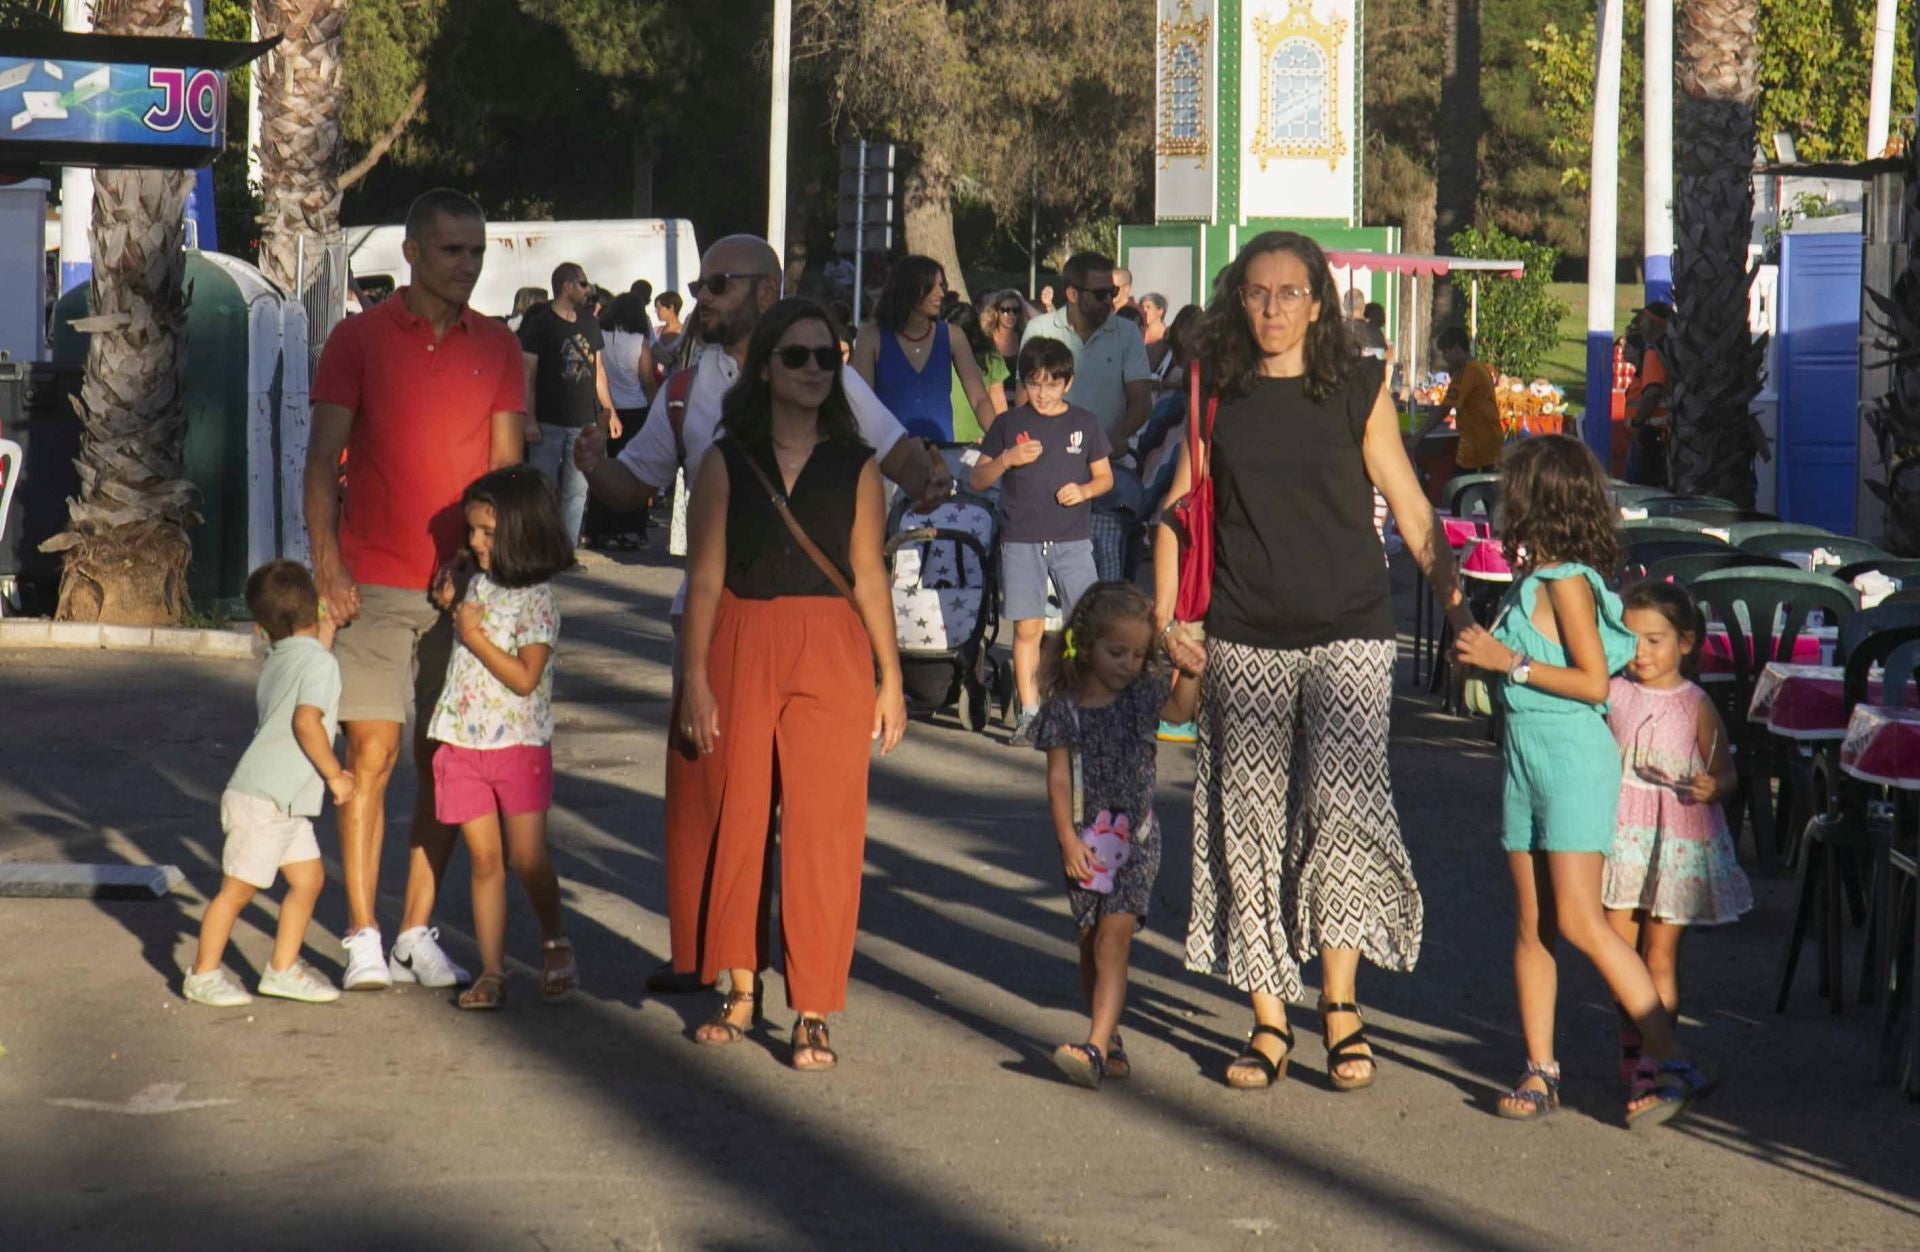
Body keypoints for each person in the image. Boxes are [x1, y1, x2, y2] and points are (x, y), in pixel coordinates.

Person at [573, 234, 945, 995]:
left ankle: (800, 976)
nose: (703, 298)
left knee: (808, 813)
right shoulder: (684, 387)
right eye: (702, 286)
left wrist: (933, 478)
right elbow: (633, 484)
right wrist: (592, 469)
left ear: (765, 292)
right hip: (718, 620)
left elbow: (902, 458)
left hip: (815, 625)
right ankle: (710, 956)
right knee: (712, 795)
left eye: (718, 285)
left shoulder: (822, 373)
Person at [1154, 230, 1472, 1091]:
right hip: (1245, 631)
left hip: (1350, 631)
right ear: (1236, 300)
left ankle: (1339, 1007)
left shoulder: (1355, 387)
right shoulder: (1216, 391)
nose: (1271, 309)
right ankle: (1266, 1018)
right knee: (1247, 823)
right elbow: (1179, 510)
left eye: (1289, 293)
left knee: (1343, 816)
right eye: (1256, 293)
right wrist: (1166, 620)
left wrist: (1459, 612)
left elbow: (1409, 507)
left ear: (1319, 301)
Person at [1451, 434, 1713, 1128]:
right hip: (1525, 758)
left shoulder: (1564, 581)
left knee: (1578, 920)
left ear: (1537, 501)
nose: (1503, 501)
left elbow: (1594, 682)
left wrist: (1508, 664)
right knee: (1533, 924)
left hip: (1569, 760)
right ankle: (1541, 1069)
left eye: (1513, 490)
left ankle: (1672, 1055)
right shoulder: (1531, 580)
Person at [675, 298, 908, 1070]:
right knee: (737, 814)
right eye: (797, 357)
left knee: (824, 830)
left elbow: (870, 576)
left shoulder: (856, 466)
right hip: (741, 637)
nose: (814, 369)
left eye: (826, 358)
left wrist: (891, 679)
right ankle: (740, 987)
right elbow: (703, 578)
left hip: (832, 646)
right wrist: (694, 682)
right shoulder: (724, 459)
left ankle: (814, 1006)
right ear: (765, 367)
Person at [306, 187, 525, 992]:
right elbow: (319, 463)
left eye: (476, 251)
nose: (466, 265)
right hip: (371, 581)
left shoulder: (498, 346)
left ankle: (414, 931)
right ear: (412, 253)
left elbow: (505, 479)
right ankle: (361, 932)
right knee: (372, 752)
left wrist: (479, 569)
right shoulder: (357, 339)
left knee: (444, 765)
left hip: (460, 592)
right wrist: (327, 566)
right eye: (451, 251)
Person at [1031, 582, 1202, 1088]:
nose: (1129, 664)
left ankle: (1095, 1048)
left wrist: (1189, 673)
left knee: (1112, 942)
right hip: (1085, 846)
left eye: (1138, 654)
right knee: (1089, 944)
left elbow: (1179, 712)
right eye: (1117, 652)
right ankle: (1109, 1038)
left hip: (1138, 843)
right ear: (1085, 646)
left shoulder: (1143, 694)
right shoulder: (1064, 706)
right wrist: (1066, 838)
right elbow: (1058, 776)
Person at [427, 466, 577, 1010]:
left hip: (518, 745)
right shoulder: (476, 583)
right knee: (484, 860)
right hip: (464, 742)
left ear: (522, 532)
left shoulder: (538, 599)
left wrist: (470, 633)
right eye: (472, 530)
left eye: (488, 533)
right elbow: (469, 622)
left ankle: (553, 937)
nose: (474, 542)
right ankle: (492, 971)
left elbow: (524, 675)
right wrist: (453, 607)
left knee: (528, 858)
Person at [184, 561, 352, 1008]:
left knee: (309, 879)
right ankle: (203, 974)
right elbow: (306, 722)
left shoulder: (282, 657)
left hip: (284, 801)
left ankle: (282, 969)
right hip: (266, 802)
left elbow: (311, 652)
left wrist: (328, 625)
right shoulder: (320, 663)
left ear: (261, 627)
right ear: (314, 603)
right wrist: (335, 774)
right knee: (235, 892)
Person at [1605, 579, 1750, 1087]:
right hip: (1622, 838)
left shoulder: (1696, 705)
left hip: (1676, 841)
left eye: (1654, 639)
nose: (1641, 652)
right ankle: (1635, 1043)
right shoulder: (1612, 692)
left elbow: (1729, 773)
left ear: (1685, 642)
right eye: (1631, 639)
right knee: (1616, 950)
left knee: (1659, 955)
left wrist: (1714, 786)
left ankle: (1655, 1056)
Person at [972, 337, 1114, 745]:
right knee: (1027, 627)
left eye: (1053, 384)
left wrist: (1084, 491)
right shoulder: (1008, 425)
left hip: (1072, 538)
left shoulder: (1084, 424)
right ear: (1023, 384)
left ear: (1068, 384)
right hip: (1021, 538)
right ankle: (1030, 714)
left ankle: (1085, 708)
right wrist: (1006, 461)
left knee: (1084, 626)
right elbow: (978, 479)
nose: (1044, 394)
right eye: (1035, 384)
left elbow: (1104, 477)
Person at [1022, 252, 1154, 580]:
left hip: (1108, 469)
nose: (1110, 300)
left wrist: (1108, 442)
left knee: (1108, 555)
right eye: (1100, 294)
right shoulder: (1040, 329)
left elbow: (1141, 402)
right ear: (1072, 294)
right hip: (1048, 468)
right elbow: (1025, 402)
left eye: (1112, 292)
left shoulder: (1126, 334)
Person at [519, 262, 617, 546]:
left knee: (577, 491)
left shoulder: (589, 322)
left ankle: (566, 549)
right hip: (548, 420)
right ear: (567, 286)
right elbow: (528, 375)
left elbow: (598, 371)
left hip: (583, 420)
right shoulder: (540, 324)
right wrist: (530, 419)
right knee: (544, 487)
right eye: (584, 283)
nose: (588, 289)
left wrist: (609, 411)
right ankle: (539, 547)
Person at [851, 255, 994, 444]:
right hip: (889, 456)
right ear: (907, 289)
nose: (941, 294)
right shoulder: (870, 336)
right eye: (931, 287)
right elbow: (863, 405)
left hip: (941, 454)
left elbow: (979, 400)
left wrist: (999, 440)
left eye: (942, 286)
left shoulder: (953, 336)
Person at [587, 292, 655, 550]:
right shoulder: (639, 341)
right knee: (633, 471)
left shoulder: (600, 336)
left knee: (602, 470)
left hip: (603, 409)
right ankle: (630, 530)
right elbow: (647, 380)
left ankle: (598, 529)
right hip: (634, 409)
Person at [1413, 325, 1502, 477]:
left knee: (1463, 491)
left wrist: (1419, 435)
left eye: (1445, 352)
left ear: (1456, 348)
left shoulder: (1466, 372)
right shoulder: (1480, 367)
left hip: (1477, 446)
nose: (1444, 358)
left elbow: (1445, 408)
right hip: (1488, 441)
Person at [945, 300, 1010, 441]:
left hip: (979, 441)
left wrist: (999, 439)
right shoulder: (937, 356)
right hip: (944, 440)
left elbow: (999, 406)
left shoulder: (991, 359)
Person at [1624, 303, 1673, 487]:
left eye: (1643, 319)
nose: (1639, 324)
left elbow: (1652, 392)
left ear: (1653, 324)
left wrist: (1637, 422)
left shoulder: (1654, 354)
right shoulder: (1668, 351)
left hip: (1652, 437)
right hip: (1663, 437)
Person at [1140, 293, 1174, 382]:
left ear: (1160, 311)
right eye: (1142, 307)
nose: (1144, 311)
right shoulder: (1138, 333)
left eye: (1148, 307)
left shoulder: (1169, 334)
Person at [1346, 290, 1387, 360]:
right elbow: (1380, 362)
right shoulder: (1376, 333)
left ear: (1345, 306)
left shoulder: (1337, 331)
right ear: (1363, 306)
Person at [653, 290, 686, 365]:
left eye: (659, 308)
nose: (656, 311)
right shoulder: (655, 331)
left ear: (671, 308)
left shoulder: (685, 333)